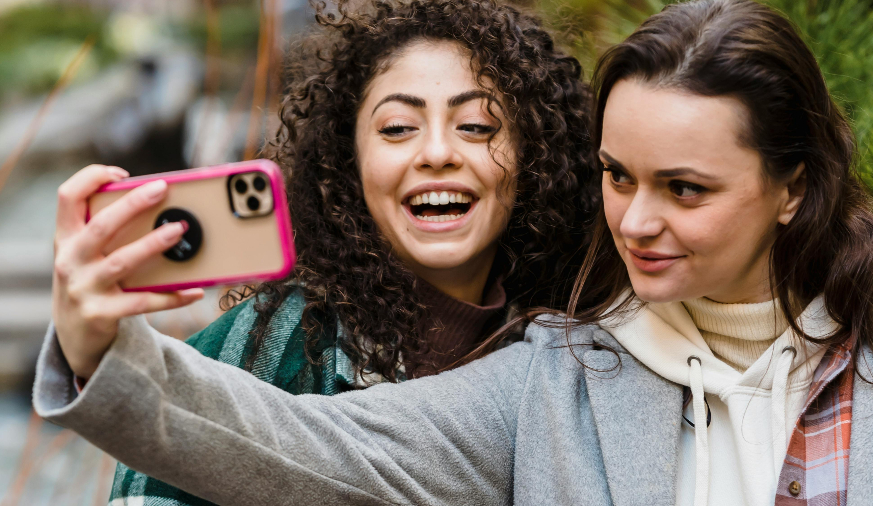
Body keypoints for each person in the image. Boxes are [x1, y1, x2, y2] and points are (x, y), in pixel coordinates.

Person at [35, 0, 873, 505]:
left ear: (793, 188)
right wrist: (97, 347)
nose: (634, 222)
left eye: (685, 190)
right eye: (618, 177)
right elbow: (294, 442)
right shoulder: (560, 378)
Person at [50, 1, 597, 505]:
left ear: (534, 155)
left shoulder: (574, 355)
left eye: (476, 126)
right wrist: (96, 355)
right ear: (347, 164)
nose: (436, 152)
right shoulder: (251, 352)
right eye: (398, 128)